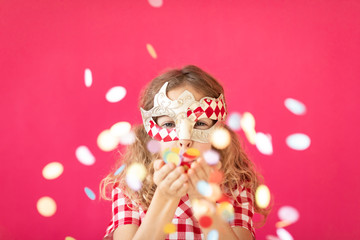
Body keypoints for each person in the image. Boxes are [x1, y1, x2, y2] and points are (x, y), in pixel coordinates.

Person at [100, 65, 269, 240]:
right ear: (150, 132)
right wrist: (165, 197)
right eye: (169, 124)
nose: (184, 139)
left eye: (200, 123)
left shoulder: (236, 186)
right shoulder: (132, 187)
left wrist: (203, 200)